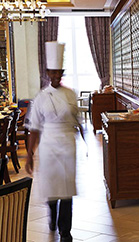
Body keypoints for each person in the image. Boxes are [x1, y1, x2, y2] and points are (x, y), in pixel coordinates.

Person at [25, 41, 83, 242]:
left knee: (66, 190)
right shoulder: (41, 97)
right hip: (48, 145)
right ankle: (52, 214)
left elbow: (77, 119)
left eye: (59, 72)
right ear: (48, 73)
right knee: (52, 188)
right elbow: (34, 127)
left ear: (62, 72)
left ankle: (65, 231)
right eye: (53, 72)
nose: (56, 76)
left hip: (67, 144)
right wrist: (30, 155)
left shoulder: (70, 95)